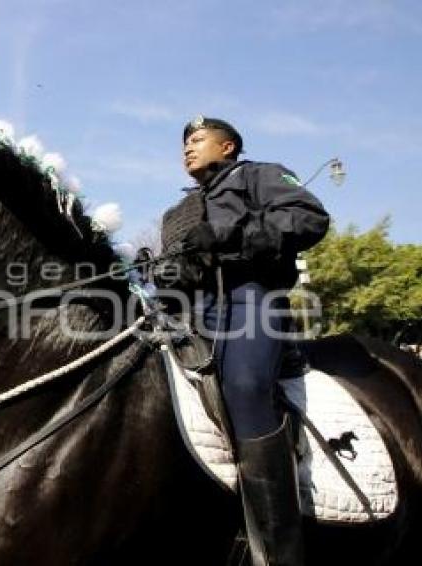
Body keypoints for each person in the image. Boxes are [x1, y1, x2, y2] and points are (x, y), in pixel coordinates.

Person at [161, 116, 329, 566]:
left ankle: (280, 548)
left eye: (197, 141)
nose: (187, 150)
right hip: (194, 310)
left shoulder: (260, 176)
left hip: (251, 297)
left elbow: (310, 219)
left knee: (246, 387)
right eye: (183, 145)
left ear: (228, 146)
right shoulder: (179, 211)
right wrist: (166, 272)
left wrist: (231, 234)